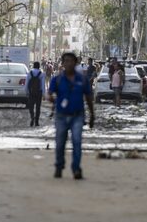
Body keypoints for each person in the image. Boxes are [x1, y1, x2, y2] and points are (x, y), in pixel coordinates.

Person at [48, 52, 95, 180]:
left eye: (71, 61)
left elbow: (89, 98)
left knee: (77, 141)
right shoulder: (56, 79)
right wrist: (52, 99)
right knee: (60, 142)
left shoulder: (82, 79)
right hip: (61, 116)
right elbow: (49, 94)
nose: (68, 63)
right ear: (62, 64)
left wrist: (92, 116)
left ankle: (76, 169)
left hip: (77, 116)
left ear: (75, 63)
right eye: (66, 61)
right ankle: (59, 165)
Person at [25, 62, 45, 127]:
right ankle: (37, 121)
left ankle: (32, 117)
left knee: (31, 106)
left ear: (33, 66)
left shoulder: (29, 73)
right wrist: (43, 94)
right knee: (38, 107)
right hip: (39, 92)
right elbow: (42, 85)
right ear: (39, 66)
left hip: (31, 92)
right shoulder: (41, 74)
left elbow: (27, 83)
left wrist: (26, 91)